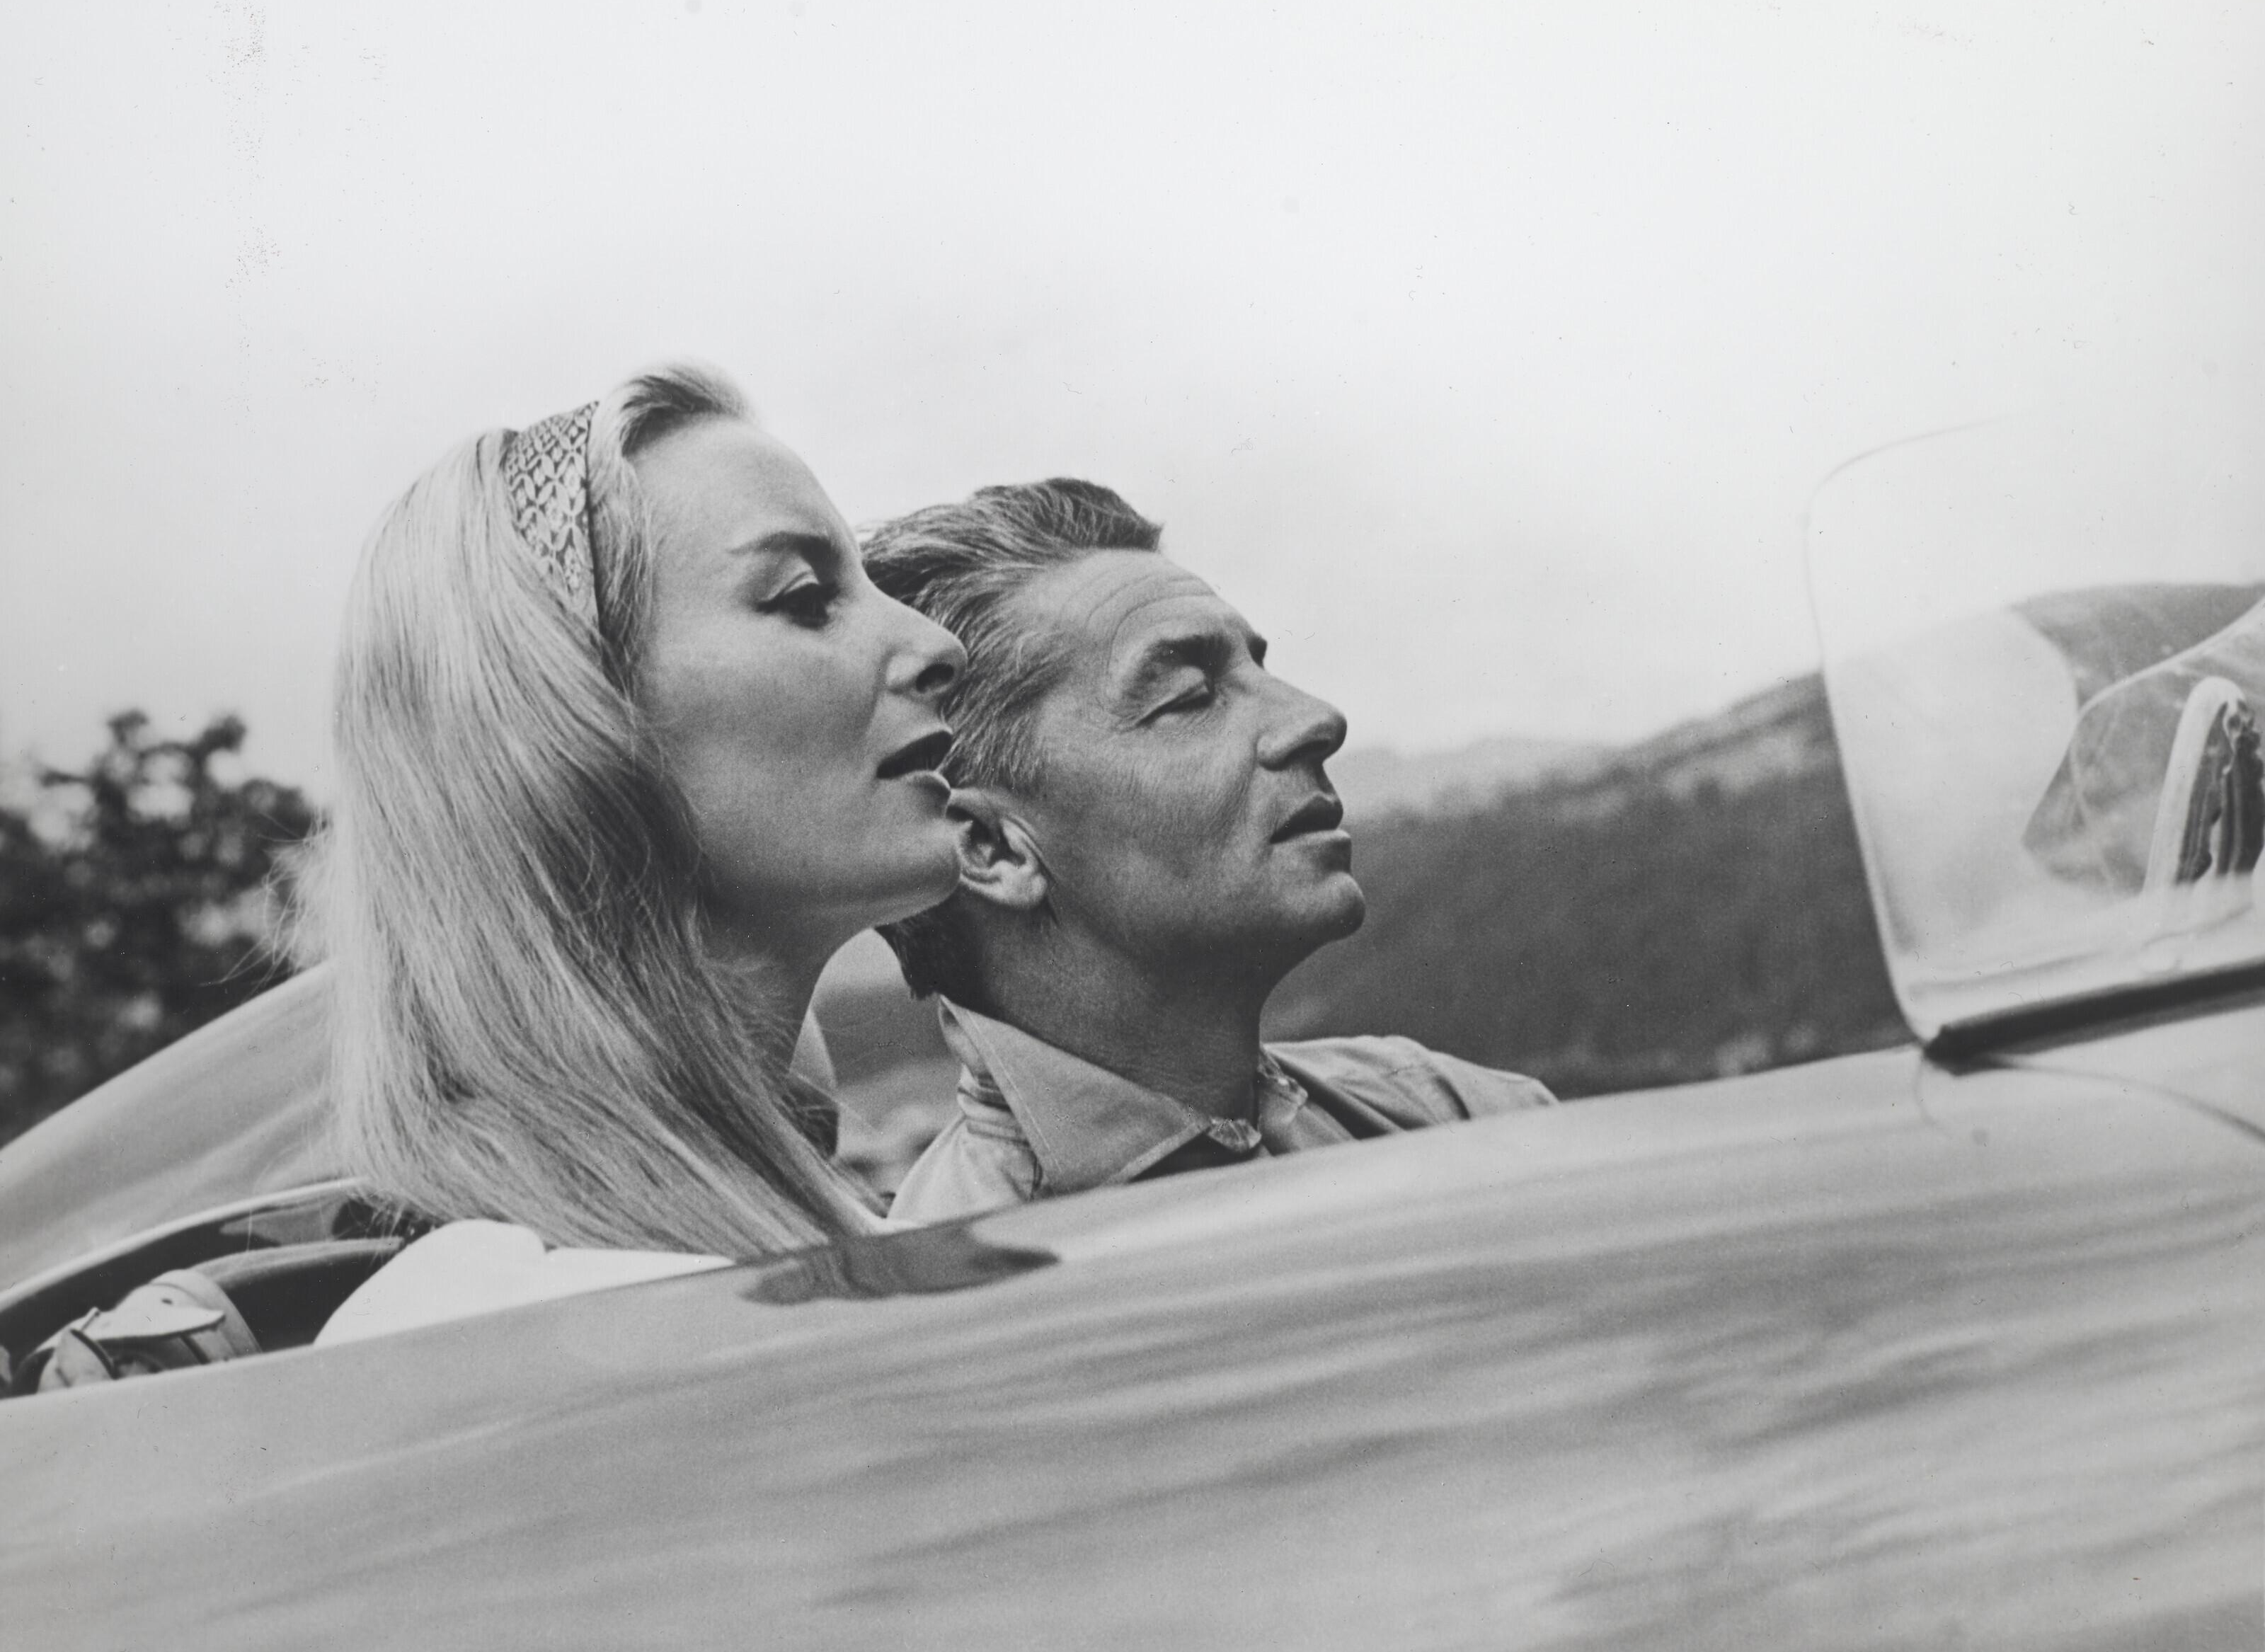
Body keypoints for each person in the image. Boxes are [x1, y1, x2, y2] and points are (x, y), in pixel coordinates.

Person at [313, 365, 966, 1343]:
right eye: (802, 596)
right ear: (563, 732)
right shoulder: (483, 1327)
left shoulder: (828, 1248)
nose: (935, 642)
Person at [860, 479, 1554, 1224]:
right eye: (1191, 696)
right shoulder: (964, 1287)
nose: (1314, 719)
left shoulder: (1450, 1112)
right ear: (990, 847)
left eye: (1258, 669)